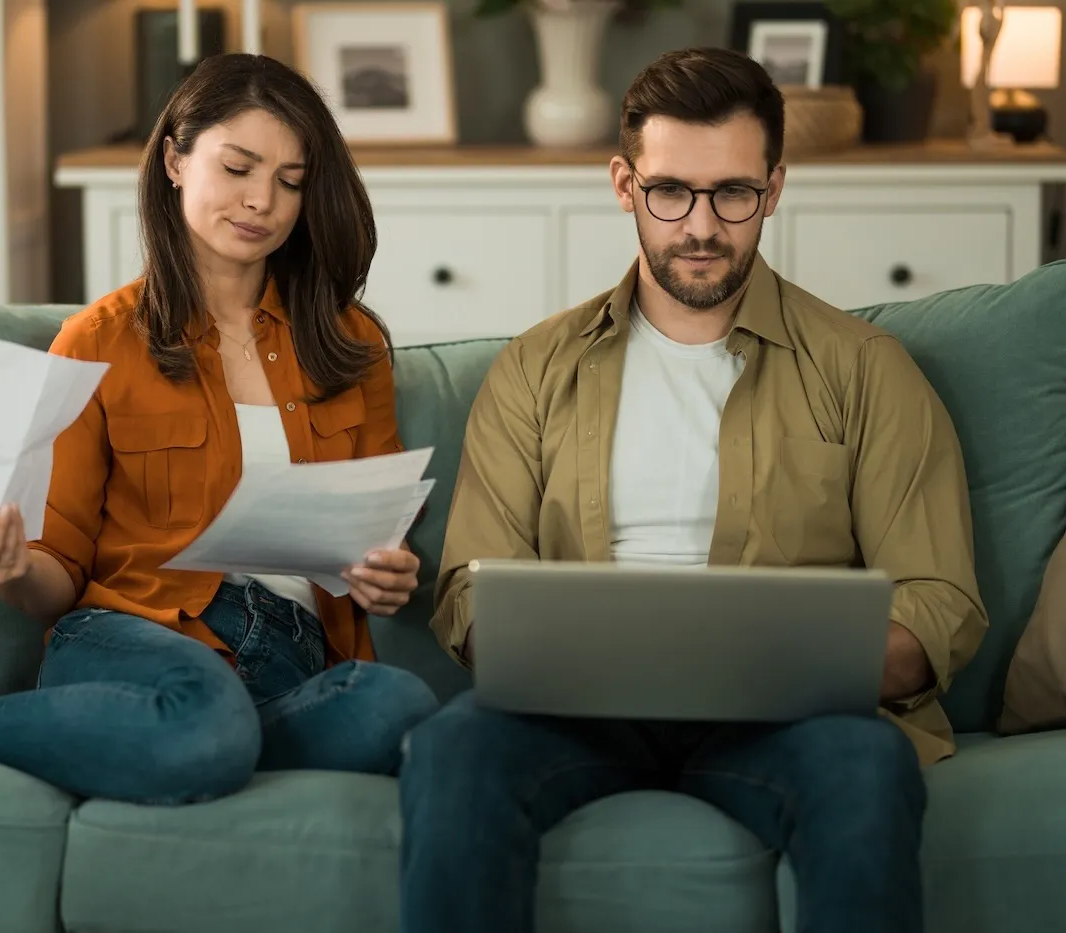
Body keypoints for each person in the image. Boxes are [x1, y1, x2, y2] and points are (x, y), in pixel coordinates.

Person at [398, 47, 987, 933]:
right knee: (453, 750)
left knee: (869, 765)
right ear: (624, 185)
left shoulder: (867, 372)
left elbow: (939, 601)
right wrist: (525, 641)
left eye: (734, 194)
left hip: (785, 723)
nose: (701, 226)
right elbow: (470, 589)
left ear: (776, 188)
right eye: (671, 191)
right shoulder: (533, 369)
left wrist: (802, 662)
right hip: (577, 714)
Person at [0, 53, 440, 805]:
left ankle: (174, 742)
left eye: (290, 181)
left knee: (396, 705)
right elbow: (55, 578)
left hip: (295, 656)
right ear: (175, 160)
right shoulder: (99, 340)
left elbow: (381, 528)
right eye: (238, 167)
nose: (261, 201)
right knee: (207, 718)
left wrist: (387, 570)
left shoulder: (350, 339)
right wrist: (13, 566)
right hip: (137, 635)